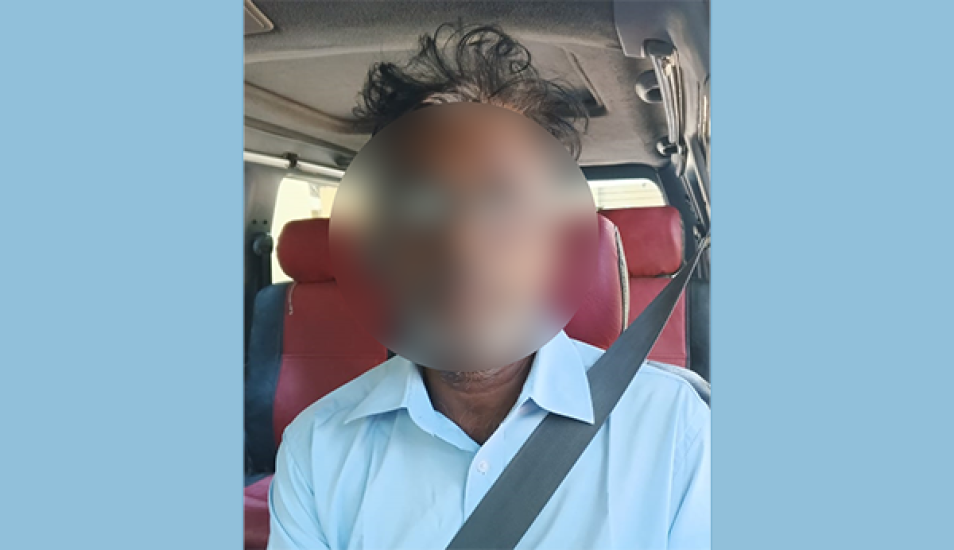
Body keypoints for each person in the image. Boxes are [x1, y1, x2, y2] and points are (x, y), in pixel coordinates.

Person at [267, 23, 710, 550]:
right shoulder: (316, 448)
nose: (461, 244)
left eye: (502, 202)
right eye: (419, 205)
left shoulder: (675, 429)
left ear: (557, 241)